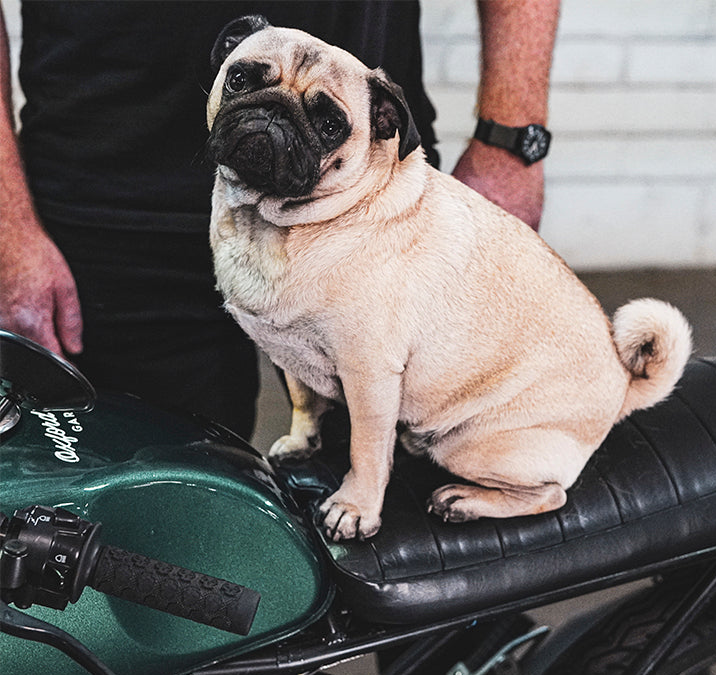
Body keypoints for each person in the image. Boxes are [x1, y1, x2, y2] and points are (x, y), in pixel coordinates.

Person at [0, 1, 559, 438]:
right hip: (106, 206)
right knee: (144, 533)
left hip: (368, 208)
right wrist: (7, 227)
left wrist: (510, 144)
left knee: (391, 516)